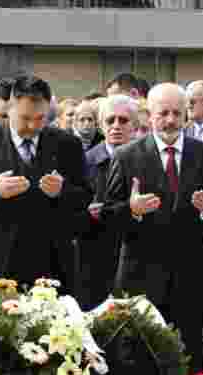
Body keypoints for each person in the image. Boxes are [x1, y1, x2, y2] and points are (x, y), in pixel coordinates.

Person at [105, 83, 203, 375]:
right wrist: (131, 210)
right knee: (136, 360)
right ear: (149, 115)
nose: (171, 120)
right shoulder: (126, 157)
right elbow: (108, 216)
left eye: (177, 113)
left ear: (186, 114)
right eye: (163, 113)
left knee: (189, 362)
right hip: (140, 276)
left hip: (190, 277)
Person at [0, 74, 90, 294]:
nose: (33, 125)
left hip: (52, 266)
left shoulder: (67, 144)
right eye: (25, 118)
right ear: (9, 109)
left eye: (40, 118)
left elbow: (85, 196)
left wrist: (63, 191)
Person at [75, 94, 138, 310]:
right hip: (94, 258)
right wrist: (86, 213)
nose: (116, 126)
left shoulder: (146, 159)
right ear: (101, 126)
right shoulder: (84, 162)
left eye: (123, 120)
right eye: (110, 121)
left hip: (135, 255)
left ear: (135, 125)